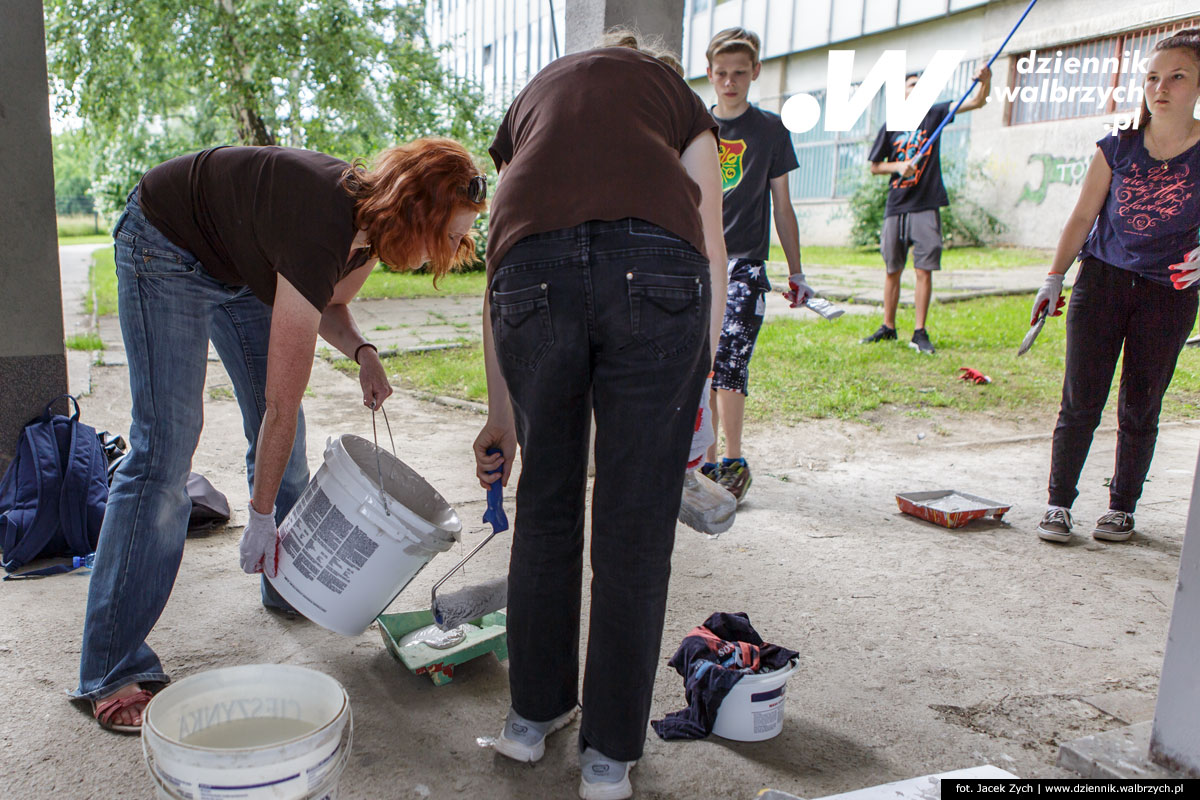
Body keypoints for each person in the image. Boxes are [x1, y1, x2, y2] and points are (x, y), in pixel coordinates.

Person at [71, 139, 486, 732]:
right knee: (164, 450)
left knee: (285, 446)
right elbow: (280, 401)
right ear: (416, 209)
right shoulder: (320, 223)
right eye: (450, 233)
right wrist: (261, 514)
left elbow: (329, 302)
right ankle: (110, 667)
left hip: (245, 264)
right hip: (166, 244)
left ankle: (287, 585)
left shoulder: (369, 231)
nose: (454, 248)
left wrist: (363, 351)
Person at [471, 32, 726, 800]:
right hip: (656, 268)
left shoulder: (535, 99)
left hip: (528, 279)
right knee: (634, 521)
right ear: (653, 63)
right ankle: (609, 758)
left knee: (546, 500)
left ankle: (530, 719)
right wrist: (700, 380)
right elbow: (711, 240)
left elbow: (499, 258)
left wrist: (500, 415)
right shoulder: (675, 98)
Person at [1034, 30, 1200, 544]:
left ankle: (1121, 508)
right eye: (1152, 77)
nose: (1161, 87)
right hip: (1101, 283)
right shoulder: (1119, 143)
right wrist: (1053, 278)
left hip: (1167, 294)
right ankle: (1059, 504)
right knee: (1080, 401)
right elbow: (1083, 214)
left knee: (1140, 406)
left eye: (1177, 77)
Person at [700, 27, 808, 502]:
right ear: (709, 74)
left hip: (745, 264)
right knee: (699, 362)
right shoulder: (694, 127)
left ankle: (733, 460)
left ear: (755, 73)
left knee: (730, 361)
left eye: (739, 73)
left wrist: (797, 270)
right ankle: (701, 459)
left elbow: (783, 206)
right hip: (698, 262)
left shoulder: (769, 130)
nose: (729, 82)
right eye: (721, 74)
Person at [863, 65, 991, 354]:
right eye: (910, 86)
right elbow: (874, 166)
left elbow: (977, 101)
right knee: (892, 269)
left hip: (925, 204)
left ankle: (919, 333)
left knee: (924, 270)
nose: (916, 90)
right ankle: (888, 327)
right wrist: (898, 166)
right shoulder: (891, 125)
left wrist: (986, 81)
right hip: (896, 206)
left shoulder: (935, 114)